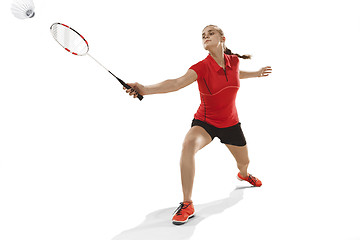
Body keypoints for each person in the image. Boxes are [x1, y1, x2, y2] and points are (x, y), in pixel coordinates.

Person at [123, 25, 272, 225]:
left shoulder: (234, 61)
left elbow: (237, 73)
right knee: (188, 145)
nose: (206, 36)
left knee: (244, 163)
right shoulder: (201, 67)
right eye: (203, 35)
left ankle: (243, 175)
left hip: (231, 123)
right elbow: (175, 83)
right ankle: (187, 203)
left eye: (211, 33)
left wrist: (256, 73)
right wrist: (144, 89)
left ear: (222, 38)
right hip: (206, 122)